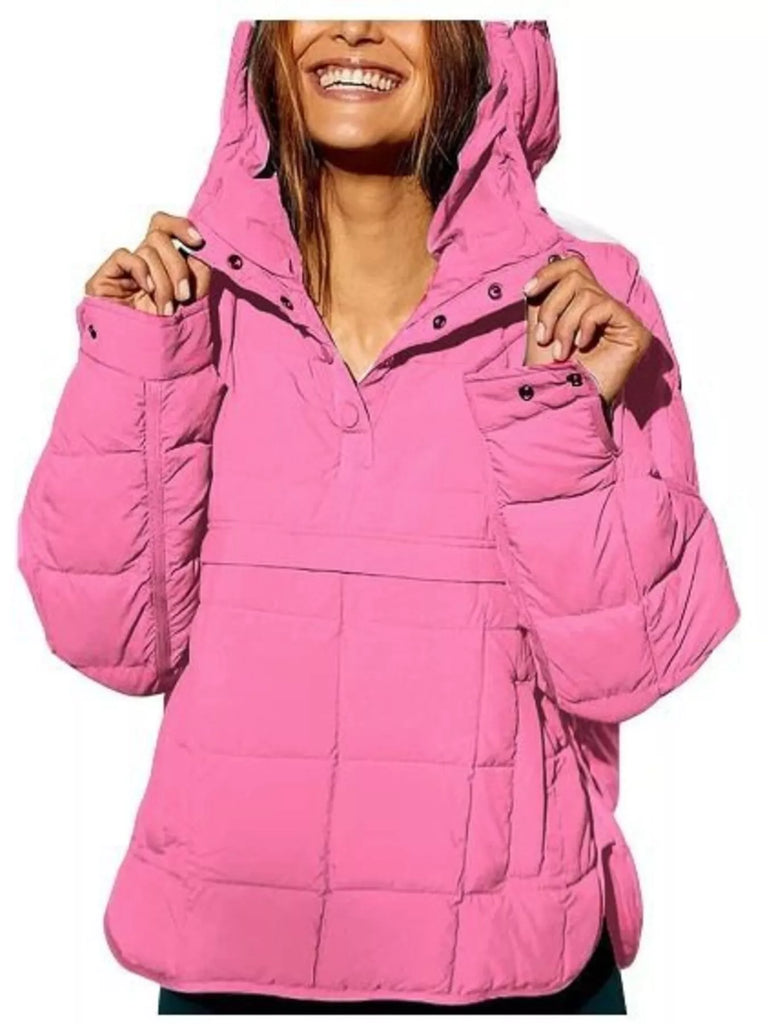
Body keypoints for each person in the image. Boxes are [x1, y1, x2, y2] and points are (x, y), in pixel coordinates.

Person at [17, 19, 739, 1016]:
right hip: (234, 955)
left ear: (487, 44)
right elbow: (111, 644)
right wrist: (138, 367)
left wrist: (559, 416)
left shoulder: (584, 300)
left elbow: (629, 663)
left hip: (510, 966)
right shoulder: (190, 301)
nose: (354, 25)